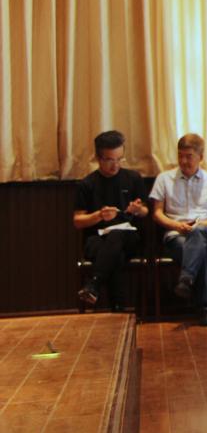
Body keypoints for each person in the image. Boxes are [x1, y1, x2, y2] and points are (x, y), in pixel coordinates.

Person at [150, 133, 207, 327]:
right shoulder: (164, 179)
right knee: (197, 252)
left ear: (201, 157)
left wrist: (200, 225)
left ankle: (186, 279)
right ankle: (205, 308)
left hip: (206, 232)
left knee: (198, 235)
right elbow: (157, 213)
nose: (184, 161)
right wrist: (177, 225)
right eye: (180, 156)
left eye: (189, 156)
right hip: (176, 234)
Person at [73, 130, 148, 310]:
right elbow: (78, 221)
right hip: (97, 239)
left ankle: (94, 284)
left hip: (129, 237)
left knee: (117, 235)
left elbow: (145, 211)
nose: (115, 165)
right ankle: (118, 308)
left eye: (119, 159)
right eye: (109, 160)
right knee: (115, 255)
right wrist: (99, 215)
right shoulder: (87, 184)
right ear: (98, 158)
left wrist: (138, 210)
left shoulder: (133, 178)